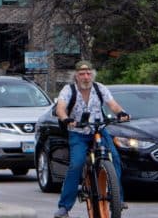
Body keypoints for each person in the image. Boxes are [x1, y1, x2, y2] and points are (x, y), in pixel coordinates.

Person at [54, 60, 130, 218]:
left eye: (88, 73)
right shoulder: (68, 90)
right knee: (76, 164)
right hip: (78, 132)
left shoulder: (100, 88)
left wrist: (121, 113)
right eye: (82, 74)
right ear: (76, 75)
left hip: (99, 130)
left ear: (92, 74)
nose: (86, 77)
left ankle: (118, 199)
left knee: (115, 158)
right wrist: (66, 118)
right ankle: (64, 207)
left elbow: (113, 105)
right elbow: (60, 107)